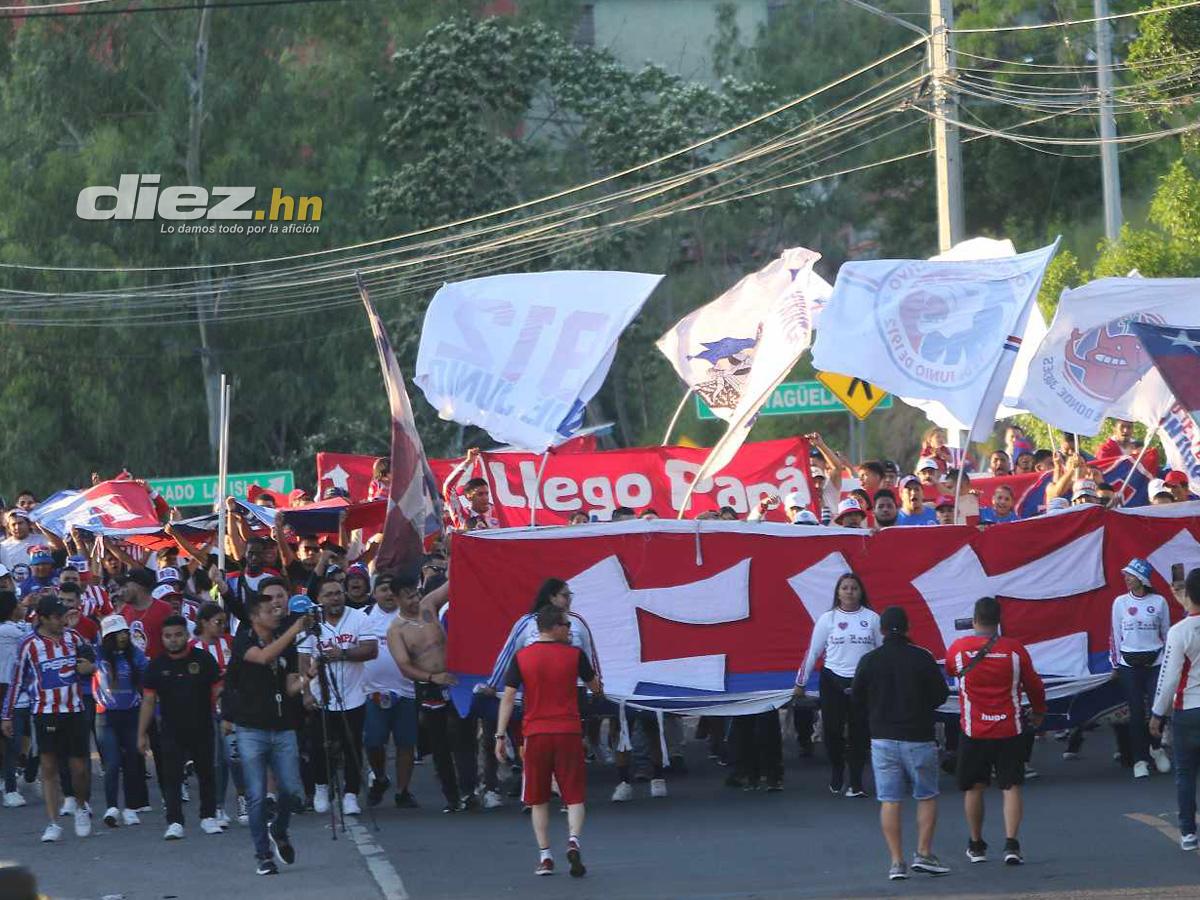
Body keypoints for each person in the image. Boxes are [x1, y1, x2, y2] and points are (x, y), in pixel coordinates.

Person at [496, 604, 603, 878]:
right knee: (575, 794)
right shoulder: (574, 655)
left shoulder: (522, 657)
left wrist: (499, 735)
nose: (570, 630)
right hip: (568, 730)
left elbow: (508, 698)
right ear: (554, 627)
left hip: (535, 733)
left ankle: (545, 856)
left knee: (538, 798)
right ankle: (574, 840)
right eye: (566, 625)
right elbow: (595, 687)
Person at [945, 597, 1046, 866]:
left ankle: (976, 845)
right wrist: (1038, 711)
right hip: (1009, 728)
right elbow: (1035, 685)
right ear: (999, 620)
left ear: (975, 619)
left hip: (974, 729)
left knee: (974, 788)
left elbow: (950, 670)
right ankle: (1012, 844)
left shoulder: (959, 648)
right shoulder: (1014, 650)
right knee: (1011, 786)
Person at [852, 606, 951, 880]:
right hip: (918, 735)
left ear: (881, 630)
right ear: (908, 628)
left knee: (890, 800)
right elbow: (940, 695)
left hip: (882, 737)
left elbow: (857, 697)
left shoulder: (870, 660)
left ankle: (896, 861)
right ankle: (924, 853)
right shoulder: (922, 657)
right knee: (927, 794)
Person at [224, 591, 311, 875]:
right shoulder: (244, 640)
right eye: (269, 609)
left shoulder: (284, 644)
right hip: (251, 728)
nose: (276, 611)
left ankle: (280, 829)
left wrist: (309, 677)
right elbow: (261, 658)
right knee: (258, 795)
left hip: (283, 727)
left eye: (278, 606)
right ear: (254, 616)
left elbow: (288, 687)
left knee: (289, 789)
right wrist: (296, 630)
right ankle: (262, 855)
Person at [1, 596, 95, 843]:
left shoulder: (73, 638)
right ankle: (53, 822)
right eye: (56, 617)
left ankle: (82, 805)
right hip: (45, 713)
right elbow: (17, 681)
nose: (62, 621)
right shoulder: (29, 645)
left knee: (80, 768)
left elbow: (93, 657)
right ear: (42, 618)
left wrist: (90, 667)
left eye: (63, 616)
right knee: (49, 768)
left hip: (74, 710)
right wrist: (6, 715)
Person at [794, 573, 880, 796]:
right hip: (832, 680)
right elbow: (813, 652)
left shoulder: (872, 618)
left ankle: (856, 781)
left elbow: (881, 653)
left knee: (860, 732)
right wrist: (800, 682)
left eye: (854, 588)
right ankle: (837, 768)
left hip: (862, 683)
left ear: (861, 592)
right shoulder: (828, 619)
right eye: (845, 588)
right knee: (832, 730)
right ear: (838, 593)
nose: (849, 591)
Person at [138, 616, 222, 839]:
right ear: (162, 638)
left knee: (206, 773)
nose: (173, 640)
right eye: (168, 636)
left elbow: (218, 691)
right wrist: (141, 733)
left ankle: (208, 816)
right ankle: (174, 821)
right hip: (170, 730)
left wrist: (228, 717)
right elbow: (148, 702)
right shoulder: (156, 666)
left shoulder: (203, 659)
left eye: (178, 635)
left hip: (202, 726)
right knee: (171, 777)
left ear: (186, 635)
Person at [387, 579, 467, 813]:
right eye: (408, 596)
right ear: (397, 599)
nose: (414, 600)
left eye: (416, 594)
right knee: (440, 743)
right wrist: (432, 678)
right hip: (430, 686)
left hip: (455, 680)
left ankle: (470, 789)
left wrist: (456, 547)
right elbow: (404, 666)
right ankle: (452, 796)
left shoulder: (429, 605)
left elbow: (455, 581)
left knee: (463, 734)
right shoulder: (396, 630)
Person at [298, 576, 376, 817]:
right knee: (319, 748)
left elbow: (371, 649)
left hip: (353, 696)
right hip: (322, 697)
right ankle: (321, 787)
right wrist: (306, 691)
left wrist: (342, 653)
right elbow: (302, 660)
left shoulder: (358, 618)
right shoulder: (311, 624)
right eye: (329, 594)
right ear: (319, 599)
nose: (335, 598)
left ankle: (350, 794)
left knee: (352, 746)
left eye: (338, 593)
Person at [1150, 567, 1200, 850]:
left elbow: (1168, 678)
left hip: (1188, 710)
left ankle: (1188, 832)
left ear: (1189, 594)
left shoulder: (1179, 631)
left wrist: (1157, 714)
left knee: (1185, 773)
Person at [361, 573, 420, 810]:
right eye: (382, 589)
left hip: (406, 691)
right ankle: (380, 777)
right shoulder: (363, 617)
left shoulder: (411, 618)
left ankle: (403, 791)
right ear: (374, 593)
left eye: (391, 590)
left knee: (406, 743)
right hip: (372, 692)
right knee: (373, 741)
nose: (387, 594)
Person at [1110, 558, 1172, 779]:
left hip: (1155, 662)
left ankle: (1156, 748)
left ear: (1142, 579)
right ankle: (1139, 759)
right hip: (1129, 664)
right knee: (1136, 712)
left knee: (1159, 708)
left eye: (1131, 575)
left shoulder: (1160, 602)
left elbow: (1167, 634)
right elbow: (1116, 635)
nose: (1126, 578)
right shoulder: (1120, 603)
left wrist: (1168, 661)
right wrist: (1115, 663)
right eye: (1126, 574)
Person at [190, 602, 246, 826]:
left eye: (224, 622)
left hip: (231, 710)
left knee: (235, 757)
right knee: (216, 761)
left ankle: (243, 800)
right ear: (203, 622)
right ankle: (219, 806)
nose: (222, 626)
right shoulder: (192, 647)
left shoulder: (229, 643)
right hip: (206, 711)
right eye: (218, 622)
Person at [94, 614, 149, 827]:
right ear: (108, 636)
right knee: (113, 762)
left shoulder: (134, 655)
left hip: (131, 714)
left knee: (132, 762)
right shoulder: (98, 653)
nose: (123, 637)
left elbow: (147, 676)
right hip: (105, 716)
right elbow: (80, 656)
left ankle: (130, 808)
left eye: (125, 632)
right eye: (118, 633)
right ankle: (111, 807)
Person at [0, 591, 31, 808]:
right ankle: (10, 788)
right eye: (19, 603)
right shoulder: (10, 630)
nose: (23, 606)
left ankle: (9, 780)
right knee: (13, 741)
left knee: (17, 740)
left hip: (17, 690)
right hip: (9, 690)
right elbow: (33, 634)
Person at [119, 567, 172, 658]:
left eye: (125, 586)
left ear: (139, 585)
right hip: (135, 670)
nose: (121, 592)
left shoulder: (165, 609)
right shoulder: (123, 612)